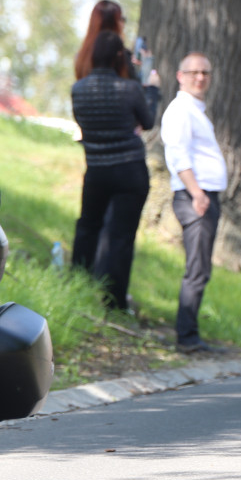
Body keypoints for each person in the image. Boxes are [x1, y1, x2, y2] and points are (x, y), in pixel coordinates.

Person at [70, 31, 154, 311]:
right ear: (121, 56)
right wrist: (151, 90)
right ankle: (114, 302)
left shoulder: (79, 89)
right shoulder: (129, 89)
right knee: (120, 237)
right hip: (130, 171)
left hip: (96, 170)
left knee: (87, 228)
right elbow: (148, 121)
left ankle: (77, 287)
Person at [160, 52, 228, 354]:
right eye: (194, 72)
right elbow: (177, 155)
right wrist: (197, 193)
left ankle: (190, 334)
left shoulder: (195, 110)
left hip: (203, 194)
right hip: (195, 196)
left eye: (205, 73)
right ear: (180, 75)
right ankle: (186, 338)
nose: (200, 78)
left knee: (201, 268)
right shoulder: (180, 111)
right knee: (197, 269)